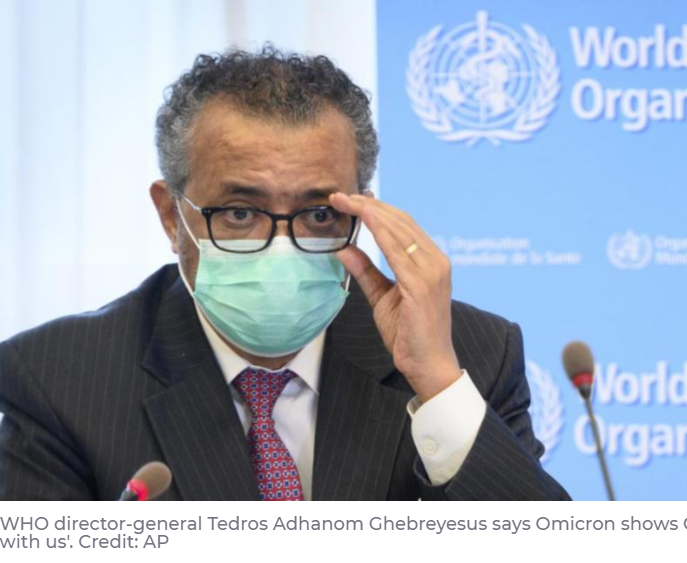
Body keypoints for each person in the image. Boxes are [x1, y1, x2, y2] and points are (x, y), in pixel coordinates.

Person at [0, 46, 569, 501]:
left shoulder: (471, 356)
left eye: (319, 215)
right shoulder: (58, 379)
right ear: (172, 216)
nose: (280, 248)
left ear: (360, 213)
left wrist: (438, 383)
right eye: (239, 213)